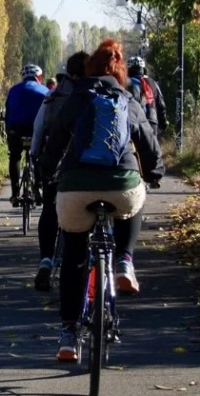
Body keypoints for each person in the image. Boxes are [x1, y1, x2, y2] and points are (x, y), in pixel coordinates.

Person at [39, 39, 164, 362]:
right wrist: (154, 173)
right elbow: (148, 144)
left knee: (74, 254)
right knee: (134, 198)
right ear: (120, 72)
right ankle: (124, 259)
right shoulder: (126, 97)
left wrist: (47, 174)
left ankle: (68, 334)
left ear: (89, 69)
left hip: (76, 185)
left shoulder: (77, 96)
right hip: (121, 182)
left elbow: (55, 141)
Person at [29, 51, 89, 291]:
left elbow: (39, 127)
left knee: (50, 208)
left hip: (55, 162)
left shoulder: (53, 95)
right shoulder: (94, 95)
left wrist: (36, 155)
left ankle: (46, 259)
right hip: (86, 165)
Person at [4, 63, 49, 206]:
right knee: (39, 156)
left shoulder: (13, 90)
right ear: (39, 77)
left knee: (15, 156)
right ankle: (38, 189)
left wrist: (8, 129)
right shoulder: (46, 91)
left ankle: (15, 194)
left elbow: (8, 112)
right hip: (36, 130)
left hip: (16, 129)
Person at [127, 56, 168, 136]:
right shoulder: (153, 83)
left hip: (133, 123)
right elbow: (161, 105)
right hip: (152, 122)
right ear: (143, 69)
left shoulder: (125, 83)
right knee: (152, 147)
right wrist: (163, 123)